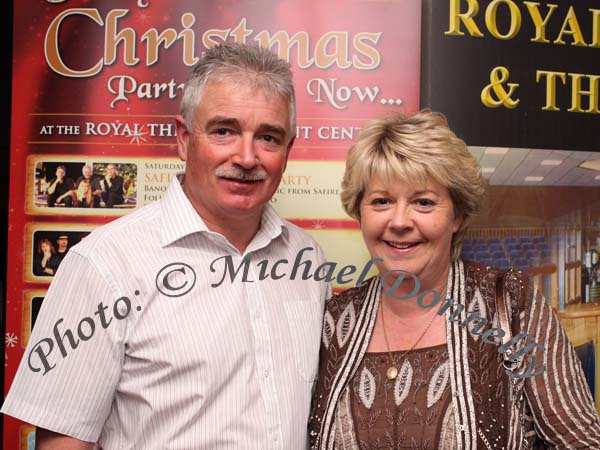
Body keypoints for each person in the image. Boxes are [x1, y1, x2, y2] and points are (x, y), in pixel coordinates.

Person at [2, 43, 329, 450]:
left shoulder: (307, 259)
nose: (247, 157)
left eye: (268, 137)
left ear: (288, 150)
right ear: (183, 138)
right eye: (224, 131)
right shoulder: (105, 263)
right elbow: (62, 442)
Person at [309, 111, 600, 449]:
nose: (400, 221)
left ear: (457, 216)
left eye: (423, 202)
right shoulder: (332, 321)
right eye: (382, 201)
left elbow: (582, 443)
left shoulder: (509, 303)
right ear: (359, 211)